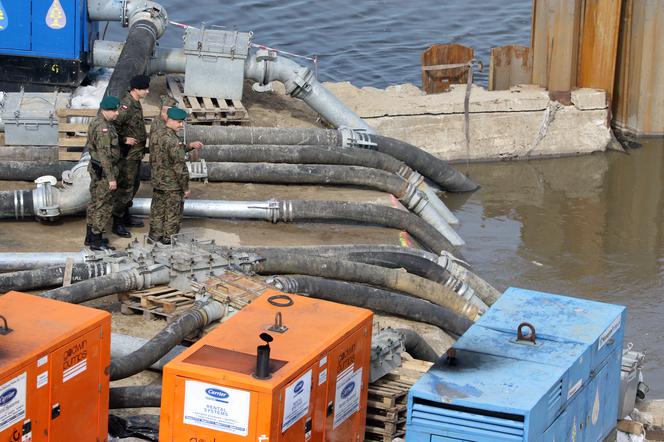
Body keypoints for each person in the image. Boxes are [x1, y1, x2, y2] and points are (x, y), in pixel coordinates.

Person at [148, 107, 197, 245]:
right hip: (172, 185)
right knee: (172, 215)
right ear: (170, 120)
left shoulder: (157, 133)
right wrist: (185, 188)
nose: (181, 125)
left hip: (158, 181)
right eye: (179, 122)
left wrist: (189, 146)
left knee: (157, 212)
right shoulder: (174, 141)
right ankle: (168, 241)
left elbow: (164, 152)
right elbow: (179, 167)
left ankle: (153, 238)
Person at [112, 74, 150, 238]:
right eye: (144, 89)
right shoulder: (126, 105)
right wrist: (123, 139)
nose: (147, 92)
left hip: (135, 155)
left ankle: (126, 216)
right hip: (127, 156)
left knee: (133, 185)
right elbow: (112, 126)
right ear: (136, 89)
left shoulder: (135, 103)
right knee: (125, 188)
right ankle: (117, 222)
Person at [84, 95, 121, 251]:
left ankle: (90, 236)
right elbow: (104, 154)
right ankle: (96, 240)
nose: (117, 113)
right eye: (115, 110)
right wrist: (111, 178)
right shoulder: (103, 128)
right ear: (107, 110)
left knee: (94, 203)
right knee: (103, 205)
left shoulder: (98, 122)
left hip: (96, 169)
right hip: (105, 172)